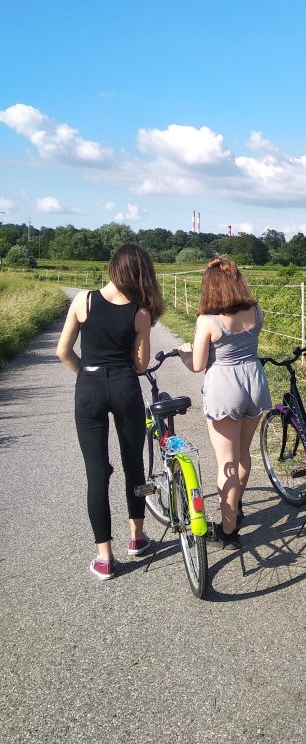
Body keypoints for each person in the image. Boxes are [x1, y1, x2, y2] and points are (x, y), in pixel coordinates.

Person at [56, 243, 164, 580]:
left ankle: (104, 557)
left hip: (89, 388)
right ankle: (137, 537)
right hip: (124, 386)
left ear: (112, 269)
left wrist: (88, 377)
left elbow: (63, 351)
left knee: (97, 472)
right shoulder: (140, 313)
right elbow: (142, 364)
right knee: (134, 464)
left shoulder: (83, 301)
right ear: (139, 274)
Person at [179, 257, 271, 550]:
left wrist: (184, 353)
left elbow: (197, 364)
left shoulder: (207, 321)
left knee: (226, 463)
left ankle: (228, 531)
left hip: (225, 386)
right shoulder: (255, 311)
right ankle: (236, 505)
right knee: (244, 454)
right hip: (254, 381)